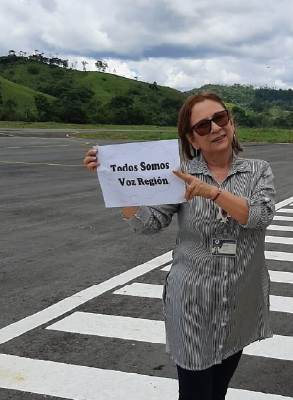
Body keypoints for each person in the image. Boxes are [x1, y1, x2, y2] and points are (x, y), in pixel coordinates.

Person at [83, 92, 276, 400]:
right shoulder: (180, 175)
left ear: (231, 122)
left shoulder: (257, 171)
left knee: (218, 390)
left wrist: (213, 193)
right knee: (195, 394)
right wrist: (115, 183)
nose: (214, 128)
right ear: (192, 138)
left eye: (220, 119)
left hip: (241, 298)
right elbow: (150, 224)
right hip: (192, 302)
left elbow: (260, 215)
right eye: (202, 126)